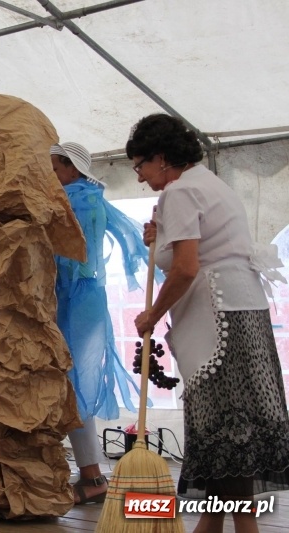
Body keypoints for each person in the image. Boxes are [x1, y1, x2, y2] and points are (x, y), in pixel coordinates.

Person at [130, 113, 289, 533]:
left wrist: (152, 313)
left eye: (140, 166)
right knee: (232, 430)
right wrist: (160, 234)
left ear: (161, 158)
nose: (141, 178)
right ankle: (213, 523)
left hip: (219, 318)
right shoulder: (210, 184)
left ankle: (235, 527)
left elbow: (184, 268)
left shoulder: (180, 192)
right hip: (246, 311)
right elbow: (190, 248)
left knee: (225, 428)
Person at [50, 142, 148, 505]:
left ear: (72, 170)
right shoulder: (83, 198)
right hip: (76, 301)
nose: (51, 177)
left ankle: (92, 476)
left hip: (76, 304)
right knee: (70, 386)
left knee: (74, 386)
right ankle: (88, 473)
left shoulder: (80, 201)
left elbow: (71, 260)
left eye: (55, 169)